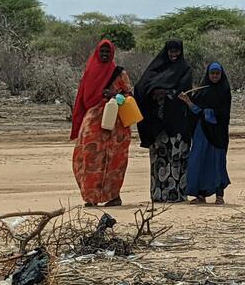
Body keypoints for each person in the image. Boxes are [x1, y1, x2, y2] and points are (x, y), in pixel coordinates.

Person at [70, 39, 131, 207]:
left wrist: (114, 94)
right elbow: (83, 97)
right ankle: (91, 196)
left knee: (115, 159)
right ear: (97, 52)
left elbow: (129, 95)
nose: (105, 55)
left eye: (107, 52)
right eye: (102, 52)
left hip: (116, 123)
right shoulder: (90, 71)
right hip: (93, 120)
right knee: (88, 157)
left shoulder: (119, 73)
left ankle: (113, 196)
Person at [134, 39, 193, 202]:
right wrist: (154, 92)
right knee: (159, 158)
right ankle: (159, 194)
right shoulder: (156, 68)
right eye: (171, 51)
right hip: (157, 124)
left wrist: (166, 93)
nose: (174, 54)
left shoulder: (185, 69)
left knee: (176, 158)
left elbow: (183, 91)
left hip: (177, 123)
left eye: (176, 51)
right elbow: (141, 88)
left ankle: (176, 194)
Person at [181, 62, 232, 205]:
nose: (215, 76)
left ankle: (219, 195)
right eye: (212, 73)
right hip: (202, 131)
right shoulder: (202, 91)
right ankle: (200, 195)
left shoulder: (224, 90)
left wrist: (208, 112)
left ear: (221, 75)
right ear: (208, 74)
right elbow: (195, 110)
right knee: (199, 160)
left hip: (218, 133)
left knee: (217, 161)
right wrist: (187, 101)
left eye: (217, 73)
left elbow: (224, 112)